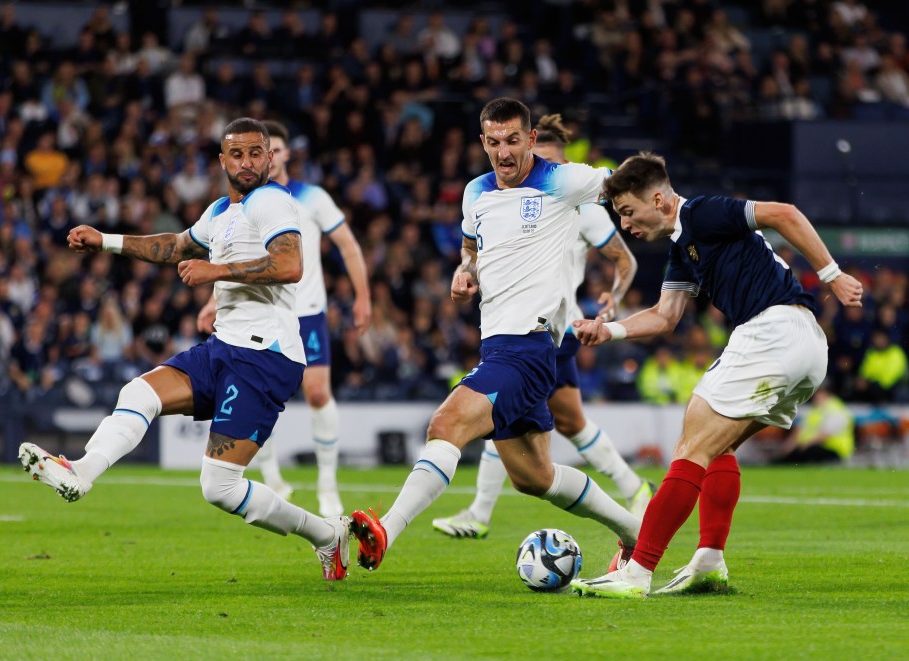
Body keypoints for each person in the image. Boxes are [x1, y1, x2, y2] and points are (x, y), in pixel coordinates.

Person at [17, 118, 352, 581]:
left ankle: (327, 535)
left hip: (266, 357)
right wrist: (106, 241)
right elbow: (174, 246)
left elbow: (290, 264)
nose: (248, 162)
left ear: (270, 158)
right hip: (224, 347)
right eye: (238, 154)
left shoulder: (273, 201)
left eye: (257, 153)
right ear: (222, 161)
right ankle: (80, 470)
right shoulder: (219, 211)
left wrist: (216, 273)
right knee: (139, 393)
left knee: (219, 488)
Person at [348, 98, 641, 573]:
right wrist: (465, 271)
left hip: (529, 345)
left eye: (512, 141)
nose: (503, 152)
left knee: (445, 425)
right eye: (493, 142)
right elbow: (470, 247)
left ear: (529, 139)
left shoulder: (562, 181)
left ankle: (387, 530)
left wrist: (665, 208)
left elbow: (621, 182)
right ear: (483, 142)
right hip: (498, 344)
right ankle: (635, 533)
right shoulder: (476, 192)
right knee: (534, 477)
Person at [569, 152, 863, 598]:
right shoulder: (681, 249)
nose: (625, 225)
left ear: (660, 198)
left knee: (690, 446)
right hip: (805, 346)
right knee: (716, 444)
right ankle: (708, 559)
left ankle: (636, 572)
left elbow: (784, 213)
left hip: (772, 332)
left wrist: (832, 275)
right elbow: (665, 317)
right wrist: (606, 330)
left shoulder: (702, 212)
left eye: (628, 212)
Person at [431, 113, 653, 540]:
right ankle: (634, 491)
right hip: (527, 324)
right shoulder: (498, 197)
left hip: (556, 327)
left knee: (507, 411)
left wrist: (614, 298)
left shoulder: (578, 203)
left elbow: (624, 258)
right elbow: (471, 247)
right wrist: (467, 270)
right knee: (562, 421)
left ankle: (479, 512)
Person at [198, 120, 371, 518]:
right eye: (243, 153)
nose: (255, 159)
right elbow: (232, 256)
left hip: (306, 311)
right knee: (258, 394)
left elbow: (347, 244)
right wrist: (213, 302)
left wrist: (362, 296)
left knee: (317, 393)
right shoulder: (242, 204)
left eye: (265, 150)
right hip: (256, 312)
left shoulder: (311, 197)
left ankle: (328, 487)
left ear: (281, 154)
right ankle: (273, 478)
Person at [775, 384, 854, 464]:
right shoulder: (814, 410)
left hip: (835, 450)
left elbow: (823, 436)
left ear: (825, 394)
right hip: (811, 446)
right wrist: (787, 449)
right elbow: (798, 432)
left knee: (808, 453)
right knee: (790, 456)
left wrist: (804, 446)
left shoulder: (836, 411)